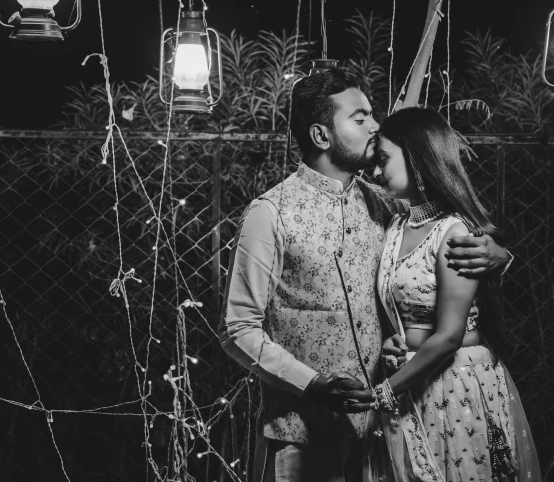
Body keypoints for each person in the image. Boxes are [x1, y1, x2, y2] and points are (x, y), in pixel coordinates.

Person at [218, 69, 511, 482]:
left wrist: (499, 255)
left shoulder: (384, 205)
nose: (375, 126)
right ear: (322, 136)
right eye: (359, 118)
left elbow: (440, 239)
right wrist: (314, 384)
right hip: (301, 433)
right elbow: (238, 329)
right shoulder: (270, 213)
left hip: (386, 429)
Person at [365, 106, 540, 482]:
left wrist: (381, 394)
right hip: (412, 377)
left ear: (417, 158)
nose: (375, 172)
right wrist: (391, 340)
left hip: (450, 381)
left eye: (383, 160)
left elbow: (448, 336)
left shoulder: (454, 232)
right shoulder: (397, 223)